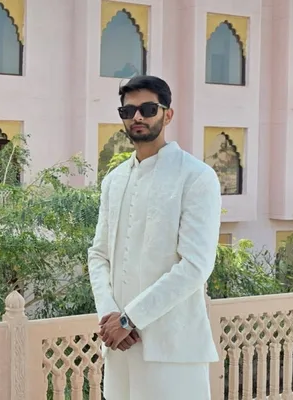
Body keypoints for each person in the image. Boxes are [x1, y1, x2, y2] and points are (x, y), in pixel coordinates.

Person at [88, 75, 221, 399]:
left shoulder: (196, 176)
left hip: (172, 349)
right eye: (128, 111)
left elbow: (195, 265)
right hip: (120, 347)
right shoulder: (114, 180)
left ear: (167, 114)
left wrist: (130, 319)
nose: (137, 117)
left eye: (148, 109)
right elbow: (98, 255)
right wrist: (111, 318)